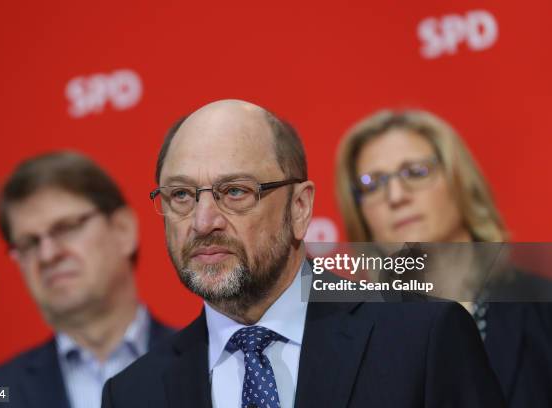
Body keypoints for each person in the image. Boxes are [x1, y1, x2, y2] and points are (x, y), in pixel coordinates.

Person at [101, 99, 506, 408]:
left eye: (235, 191)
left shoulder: (422, 339)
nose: (203, 221)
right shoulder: (133, 393)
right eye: (182, 196)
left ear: (299, 208)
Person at [335, 108, 552, 407]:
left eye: (416, 172)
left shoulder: (541, 307)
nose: (396, 196)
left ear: (460, 180)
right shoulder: (354, 344)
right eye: (373, 184)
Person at [0, 152, 174, 408]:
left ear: (122, 230)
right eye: (29, 243)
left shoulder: (210, 361)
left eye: (66, 228)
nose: (48, 254)